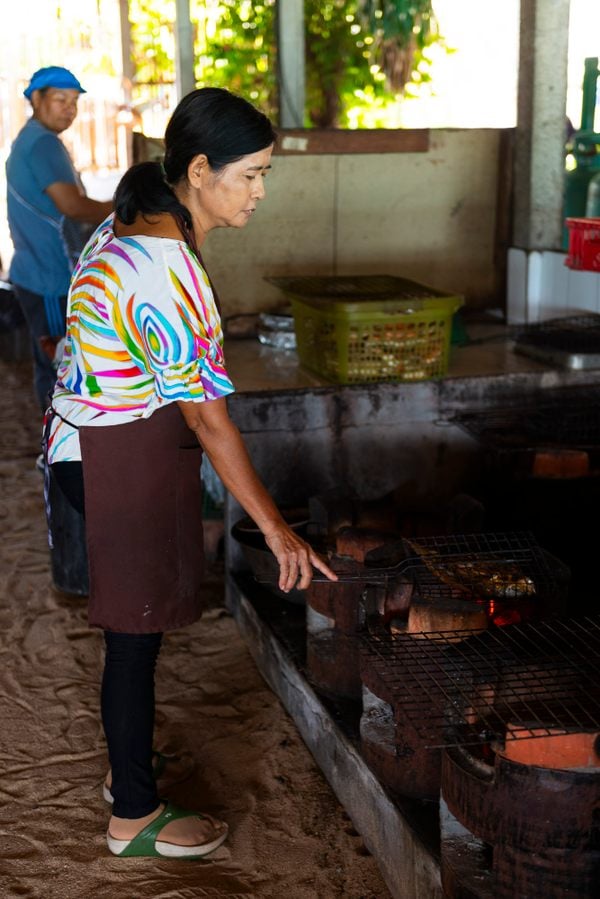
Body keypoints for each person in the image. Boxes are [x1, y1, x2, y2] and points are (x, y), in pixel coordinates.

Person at [44, 86, 338, 860]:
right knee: (134, 638)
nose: (260, 192)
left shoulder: (136, 217)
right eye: (251, 175)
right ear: (201, 170)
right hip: (118, 461)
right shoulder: (170, 267)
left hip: (92, 445)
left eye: (267, 174)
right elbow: (210, 421)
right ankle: (132, 815)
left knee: (131, 633)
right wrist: (276, 529)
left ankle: (128, 770)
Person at [6, 66, 113, 416]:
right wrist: (124, 211)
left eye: (74, 101)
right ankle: (62, 452)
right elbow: (71, 205)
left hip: (37, 271)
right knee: (62, 365)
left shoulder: (32, 140)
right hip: (49, 276)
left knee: (52, 364)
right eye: (60, 100)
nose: (69, 108)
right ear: (36, 99)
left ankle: (53, 452)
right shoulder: (42, 143)